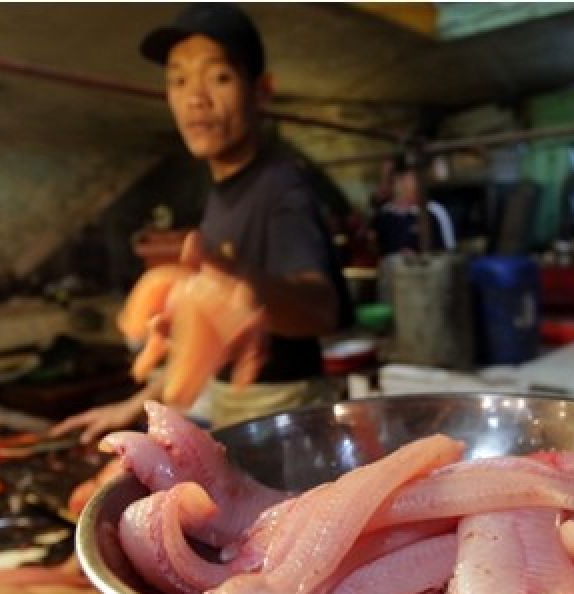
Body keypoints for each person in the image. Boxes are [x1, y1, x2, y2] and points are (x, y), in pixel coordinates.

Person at [53, 3, 351, 440]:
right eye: (178, 80)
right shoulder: (221, 195)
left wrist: (243, 284)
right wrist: (135, 407)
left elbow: (321, 308)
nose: (196, 98)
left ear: (262, 91)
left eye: (220, 77)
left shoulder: (281, 185)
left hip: (287, 414)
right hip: (235, 408)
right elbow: (211, 340)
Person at [371, 155, 456, 256]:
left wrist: (417, 259)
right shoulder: (384, 215)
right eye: (411, 177)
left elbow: (449, 253)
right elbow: (376, 251)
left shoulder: (435, 212)